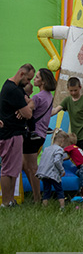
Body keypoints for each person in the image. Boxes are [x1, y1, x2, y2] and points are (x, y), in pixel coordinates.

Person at [0, 63, 35, 207]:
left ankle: (10, 200)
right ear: (21, 74)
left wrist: (25, 107)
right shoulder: (13, 90)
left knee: (13, 169)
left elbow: (30, 102)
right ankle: (6, 201)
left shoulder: (15, 88)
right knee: (8, 169)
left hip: (13, 133)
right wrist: (24, 110)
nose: (29, 83)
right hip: (10, 134)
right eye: (28, 79)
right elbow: (28, 113)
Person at [22, 68, 56, 203]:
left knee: (31, 167)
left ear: (43, 81)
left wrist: (23, 98)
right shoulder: (49, 96)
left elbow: (27, 111)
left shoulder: (38, 97)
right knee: (26, 165)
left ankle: (37, 197)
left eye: (36, 77)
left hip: (32, 134)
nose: (34, 80)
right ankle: (36, 195)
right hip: (40, 134)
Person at [51, 77, 83, 157]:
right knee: (77, 158)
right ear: (68, 89)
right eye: (71, 90)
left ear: (80, 87)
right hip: (75, 136)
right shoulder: (67, 100)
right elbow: (55, 111)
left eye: (75, 90)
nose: (73, 93)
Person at [35, 130, 68, 209]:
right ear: (62, 140)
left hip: (44, 174)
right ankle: (62, 206)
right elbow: (57, 161)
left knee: (46, 191)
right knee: (59, 190)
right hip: (53, 174)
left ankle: (44, 206)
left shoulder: (47, 149)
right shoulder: (59, 149)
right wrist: (62, 170)